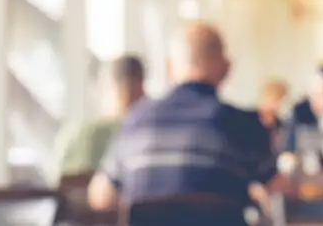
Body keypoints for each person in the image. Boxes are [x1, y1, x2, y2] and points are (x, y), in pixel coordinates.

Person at [88, 23, 279, 217]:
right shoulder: (244, 126)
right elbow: (277, 187)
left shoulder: (135, 121)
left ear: (170, 67)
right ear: (225, 69)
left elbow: (100, 197)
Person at [55, 55, 146, 178]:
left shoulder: (84, 135)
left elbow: (61, 181)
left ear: (112, 89)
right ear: (142, 85)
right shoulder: (156, 130)